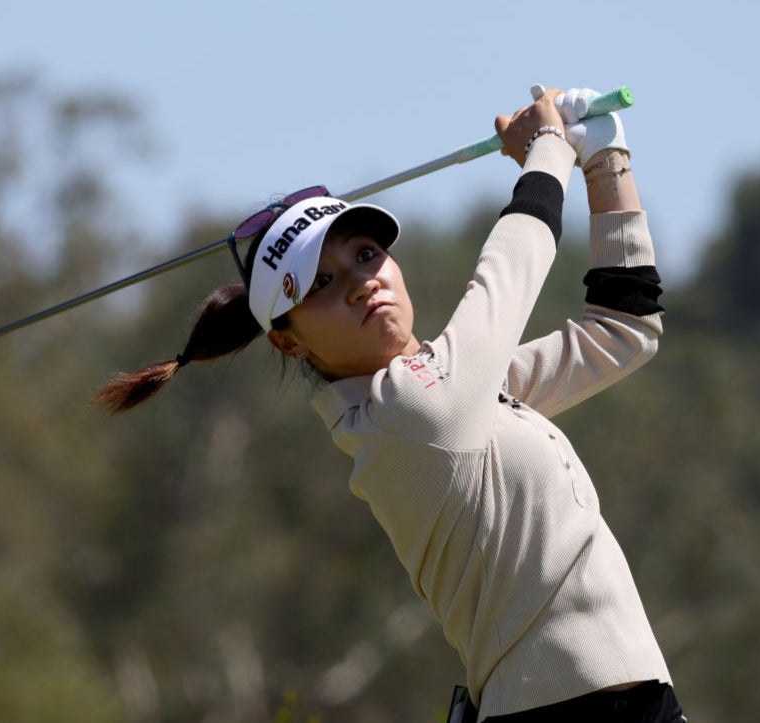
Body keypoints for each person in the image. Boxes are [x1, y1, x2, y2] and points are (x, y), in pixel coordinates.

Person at [92, 87, 686, 722]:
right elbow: (506, 276)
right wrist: (547, 153)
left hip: (637, 702)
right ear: (289, 343)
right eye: (321, 283)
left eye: (366, 254)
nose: (360, 283)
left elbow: (623, 332)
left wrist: (606, 160)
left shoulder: (454, 393)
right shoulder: (409, 417)